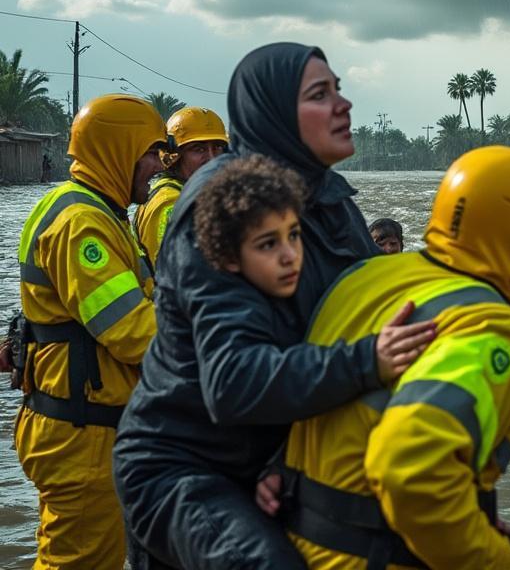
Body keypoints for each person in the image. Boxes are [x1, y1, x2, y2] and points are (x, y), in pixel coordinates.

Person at [113, 44, 437, 569]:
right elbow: (234, 381)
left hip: (279, 456)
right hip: (187, 469)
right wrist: (367, 360)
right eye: (319, 95)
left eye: (338, 88)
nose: (343, 105)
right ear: (275, 115)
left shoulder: (333, 205)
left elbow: (375, 320)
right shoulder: (223, 206)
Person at [265, 146, 510, 569]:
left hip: (289, 546)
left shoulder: (363, 276)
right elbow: (411, 470)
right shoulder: (493, 328)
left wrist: (471, 522)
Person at [13, 94, 166, 569]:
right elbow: (136, 333)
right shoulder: (83, 224)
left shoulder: (97, 211)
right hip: (83, 436)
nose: (159, 166)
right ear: (118, 150)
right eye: (150, 152)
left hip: (85, 427)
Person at [134, 106, 228, 265]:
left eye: (217, 147)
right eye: (199, 149)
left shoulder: (189, 195)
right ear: (175, 157)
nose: (212, 158)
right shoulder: (171, 204)